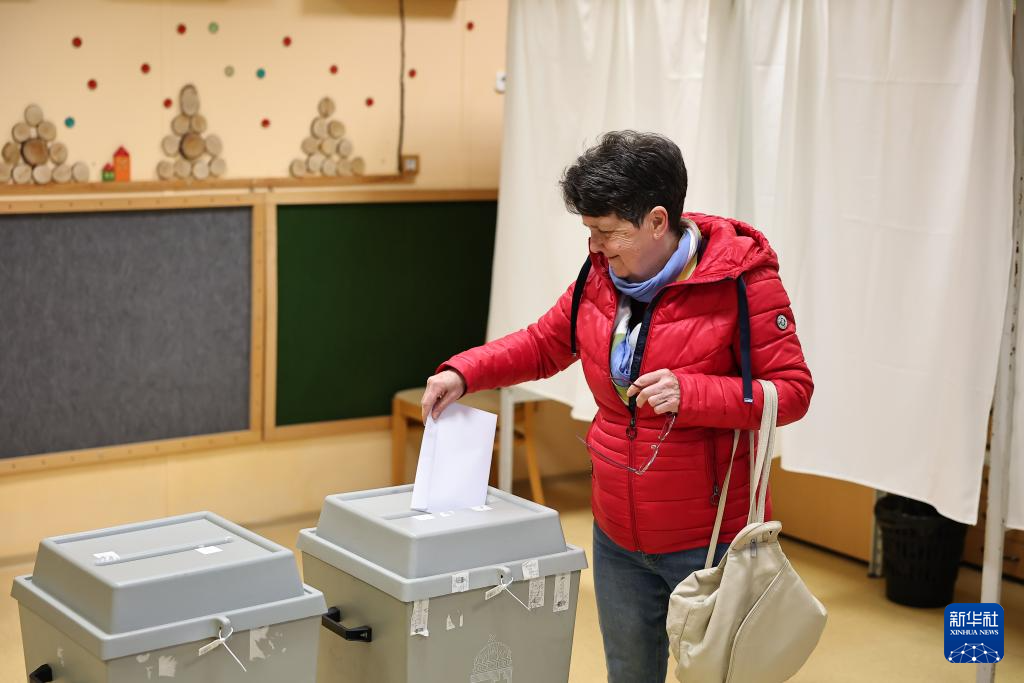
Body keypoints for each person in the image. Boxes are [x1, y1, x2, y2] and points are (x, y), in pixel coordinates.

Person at [421, 130, 813, 683]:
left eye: (606, 233)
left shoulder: (742, 282)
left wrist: (692, 393)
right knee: (628, 674)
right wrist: (463, 372)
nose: (596, 246)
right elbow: (543, 344)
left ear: (657, 220)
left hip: (709, 541)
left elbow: (792, 390)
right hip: (617, 534)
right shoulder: (600, 277)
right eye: (590, 231)